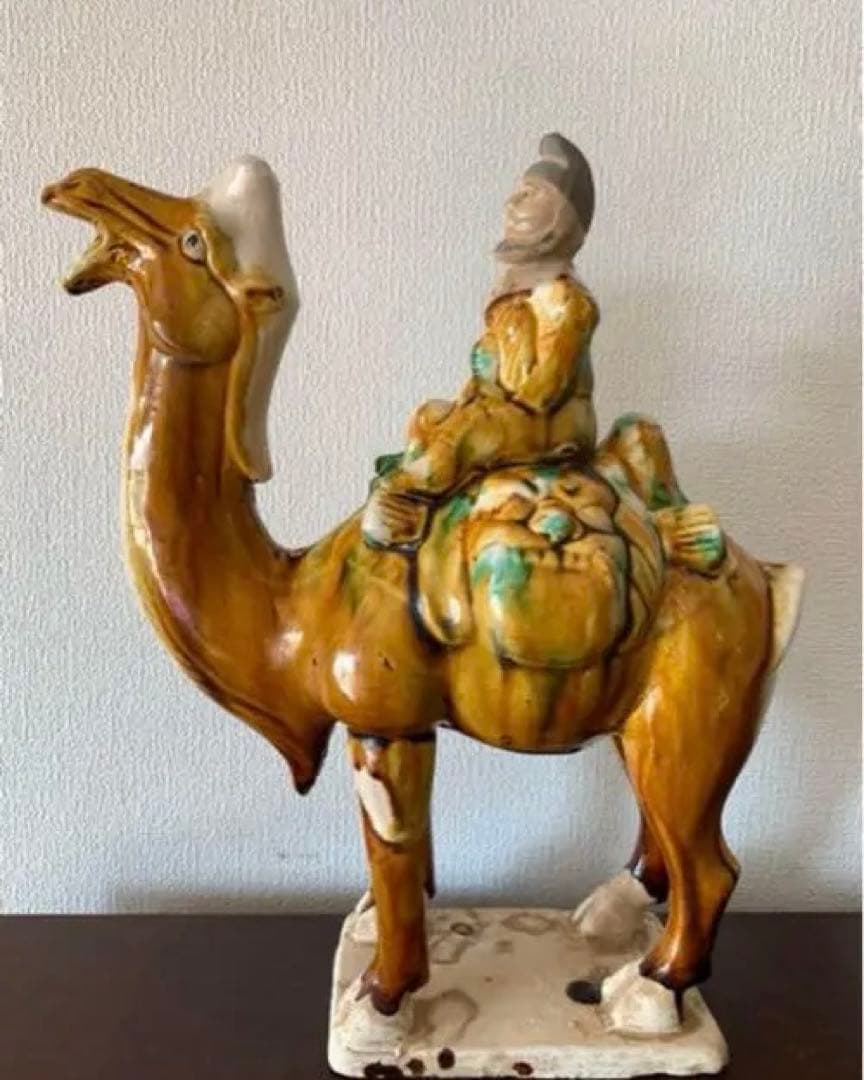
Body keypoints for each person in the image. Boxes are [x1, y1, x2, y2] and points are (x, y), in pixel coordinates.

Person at [362, 133, 600, 549]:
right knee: (430, 415)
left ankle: (403, 497)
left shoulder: (563, 300)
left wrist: (510, 329)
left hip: (550, 423)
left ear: (561, 217)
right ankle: (424, 503)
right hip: (509, 412)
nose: (512, 203)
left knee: (467, 432)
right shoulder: (516, 297)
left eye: (531, 193)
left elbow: (540, 391)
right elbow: (485, 378)